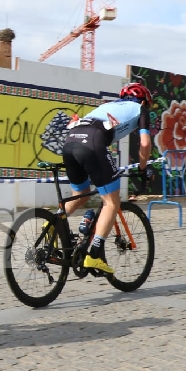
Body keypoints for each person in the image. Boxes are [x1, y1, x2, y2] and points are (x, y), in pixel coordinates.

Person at [60, 82, 154, 273]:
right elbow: (145, 144)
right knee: (111, 202)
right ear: (144, 101)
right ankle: (94, 255)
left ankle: (53, 224)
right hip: (92, 142)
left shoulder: (106, 106)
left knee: (81, 194)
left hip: (70, 141)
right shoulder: (141, 109)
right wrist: (143, 170)